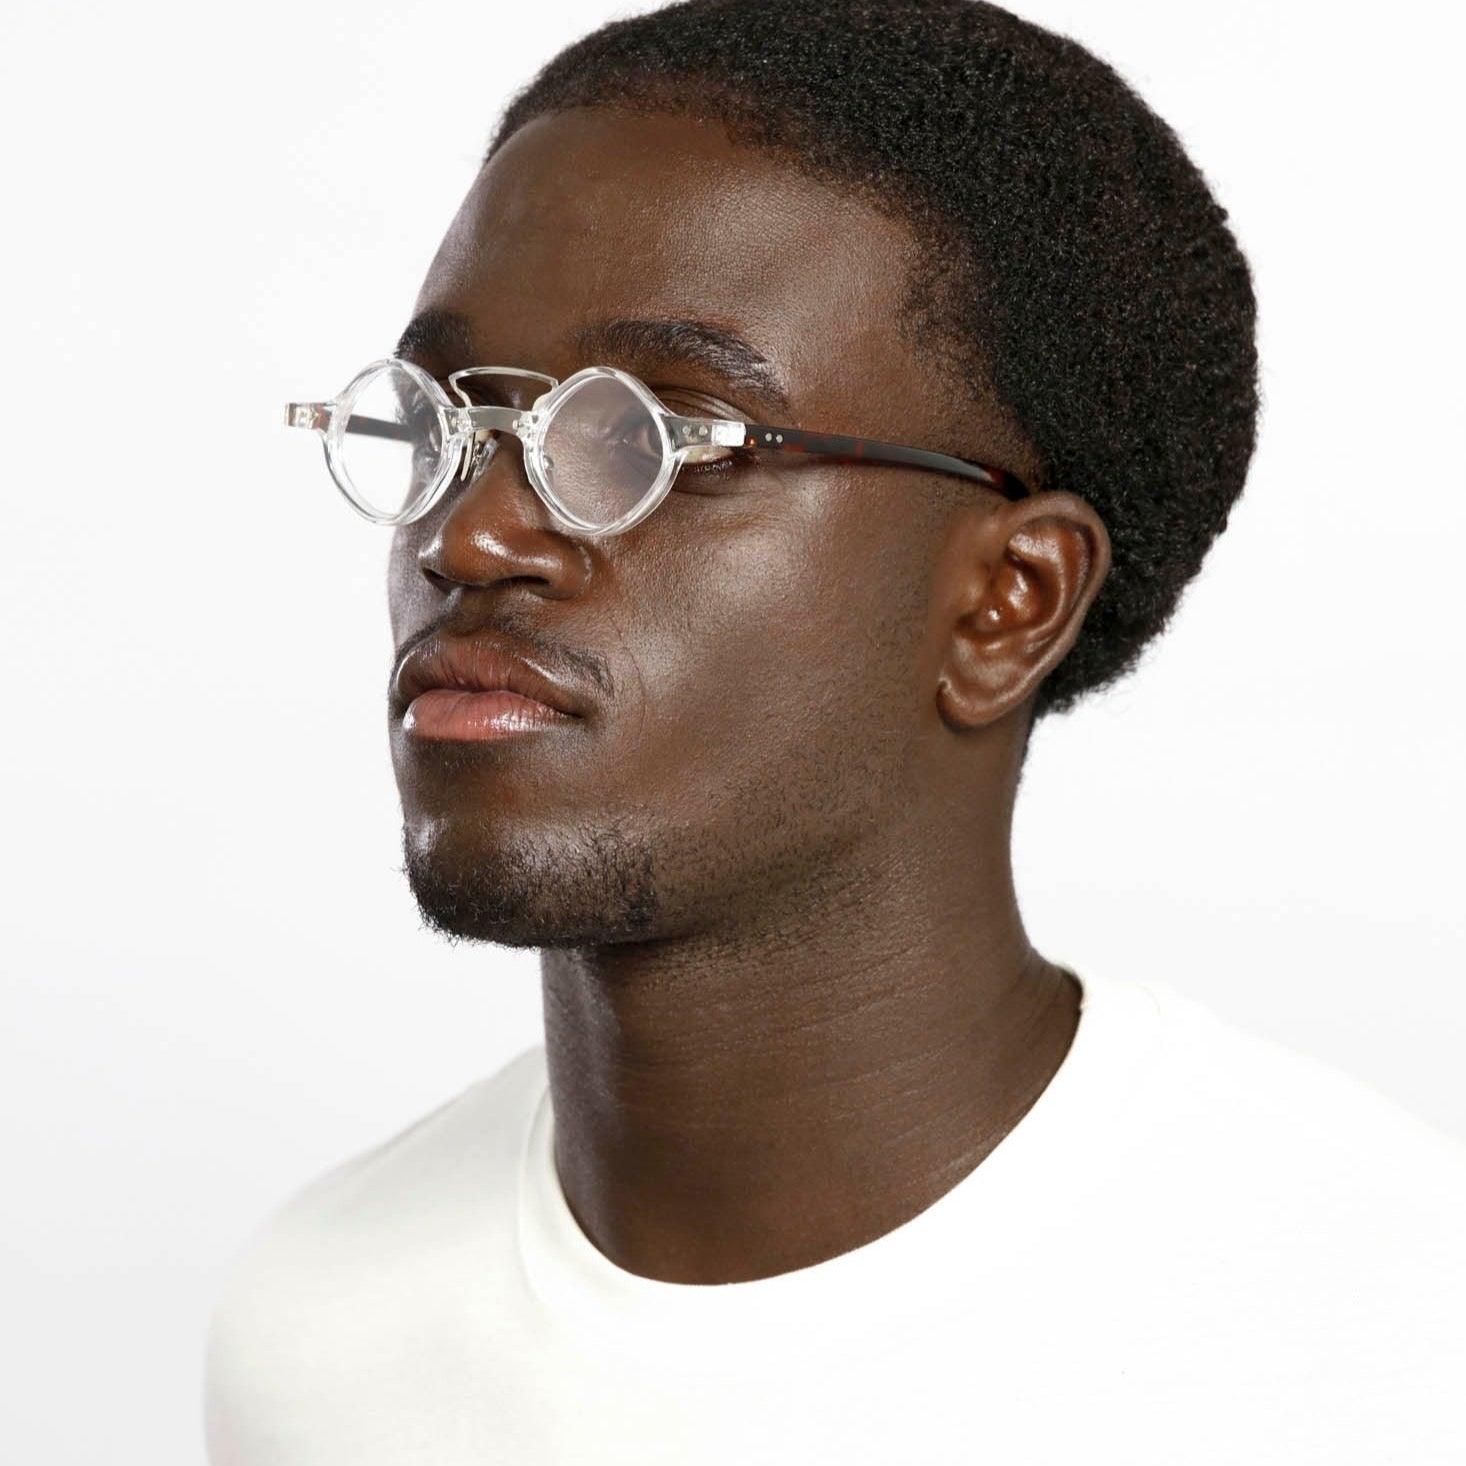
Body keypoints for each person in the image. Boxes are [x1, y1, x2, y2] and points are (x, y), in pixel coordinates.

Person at [204, 1, 1466, 1461]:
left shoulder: (1389, 1336)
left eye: (648, 436)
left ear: (1004, 603)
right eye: (445, 422)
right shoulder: (321, 1331)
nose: (470, 533)